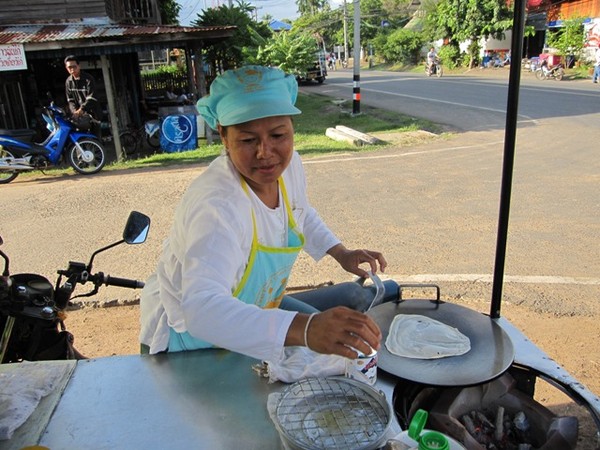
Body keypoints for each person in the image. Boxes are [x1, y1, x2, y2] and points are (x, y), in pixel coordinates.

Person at [140, 65, 386, 363]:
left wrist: (340, 253)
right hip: (189, 340)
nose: (265, 152)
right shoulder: (218, 205)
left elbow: (300, 214)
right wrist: (307, 329)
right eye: (247, 140)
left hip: (253, 309)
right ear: (223, 135)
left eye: (278, 134)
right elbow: (202, 309)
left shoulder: (290, 165)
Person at [64, 55, 102, 138]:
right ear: (66, 68)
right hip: (79, 118)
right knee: (79, 141)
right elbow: (70, 100)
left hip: (93, 116)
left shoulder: (88, 79)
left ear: (79, 66)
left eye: (74, 66)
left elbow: (92, 97)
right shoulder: (68, 81)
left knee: (95, 140)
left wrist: (81, 110)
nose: (72, 69)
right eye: (69, 67)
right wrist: (74, 112)